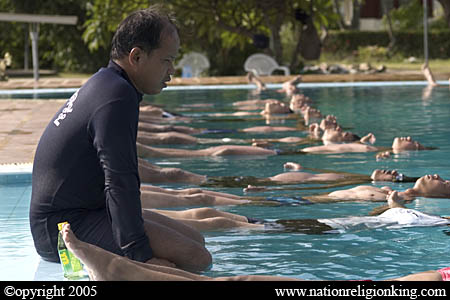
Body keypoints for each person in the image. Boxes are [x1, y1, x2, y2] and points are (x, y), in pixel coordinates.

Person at [29, 6, 212, 272]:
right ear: (136, 56)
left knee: (197, 239)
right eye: (166, 60)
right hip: (60, 229)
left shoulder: (110, 84)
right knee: (197, 258)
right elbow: (120, 179)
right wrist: (141, 256)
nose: (172, 70)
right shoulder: (116, 97)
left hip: (84, 213)